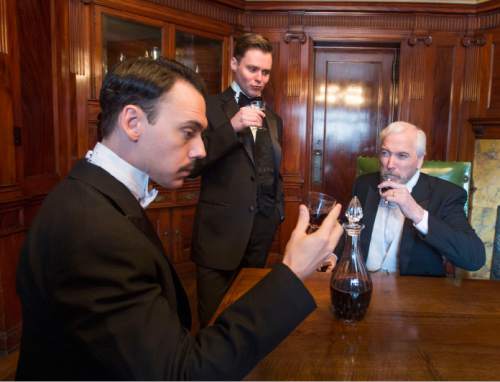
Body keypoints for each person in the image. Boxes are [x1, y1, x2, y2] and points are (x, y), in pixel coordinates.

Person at [16, 57, 344, 380]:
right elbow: (182, 373)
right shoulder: (93, 232)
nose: (201, 150)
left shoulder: (93, 195)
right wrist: (293, 270)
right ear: (132, 122)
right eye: (188, 132)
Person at [190, 33, 285, 327]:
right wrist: (232, 127)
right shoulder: (206, 106)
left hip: (260, 232)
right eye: (252, 69)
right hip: (219, 236)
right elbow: (192, 164)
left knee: (247, 316)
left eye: (265, 72)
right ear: (234, 63)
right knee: (213, 321)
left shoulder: (274, 118)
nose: (259, 78)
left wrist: (277, 212)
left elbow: (271, 171)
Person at [346, 121, 485, 276]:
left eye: (402, 155)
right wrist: (331, 256)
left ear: (419, 160)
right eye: (385, 153)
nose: (390, 164)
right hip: (362, 283)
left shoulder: (446, 195)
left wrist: (417, 213)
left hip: (413, 293)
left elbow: (475, 259)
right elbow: (347, 228)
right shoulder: (364, 184)